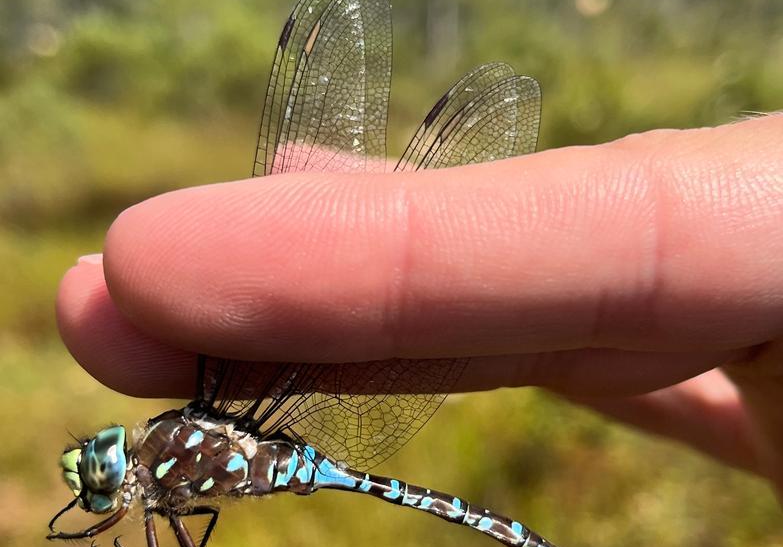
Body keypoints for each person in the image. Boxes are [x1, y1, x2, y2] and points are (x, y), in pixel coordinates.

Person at [57, 114, 783, 489]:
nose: (100, 465)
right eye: (102, 464)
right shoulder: (175, 465)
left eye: (101, 464)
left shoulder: (174, 459)